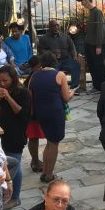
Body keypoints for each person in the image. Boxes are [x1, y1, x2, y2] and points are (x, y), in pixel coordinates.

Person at [26, 51, 74, 182]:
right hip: (55, 112)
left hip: (40, 113)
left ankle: (45, 172)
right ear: (55, 62)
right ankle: (49, 175)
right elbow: (65, 98)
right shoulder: (60, 75)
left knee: (49, 142)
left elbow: (30, 95)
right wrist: (72, 93)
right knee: (54, 143)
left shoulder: (34, 76)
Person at [0, 66, 30, 210]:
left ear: (13, 79)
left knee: (15, 163)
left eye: (5, 80)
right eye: (0, 80)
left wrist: (8, 97)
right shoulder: (2, 92)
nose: (2, 83)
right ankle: (6, 193)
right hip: (2, 133)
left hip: (16, 133)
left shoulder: (23, 93)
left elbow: (21, 113)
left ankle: (15, 197)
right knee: (4, 163)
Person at [37, 19, 81, 87]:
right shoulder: (44, 38)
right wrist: (50, 53)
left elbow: (72, 47)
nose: (56, 27)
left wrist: (74, 56)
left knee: (75, 66)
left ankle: (74, 86)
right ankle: (56, 87)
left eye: (57, 25)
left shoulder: (65, 37)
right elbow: (40, 50)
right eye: (53, 26)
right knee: (52, 72)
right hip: (53, 62)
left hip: (66, 60)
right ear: (50, 27)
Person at [80, 0, 105, 91]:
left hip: (95, 45)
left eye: (82, 1)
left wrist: (99, 46)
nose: (81, 3)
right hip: (89, 44)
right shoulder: (91, 12)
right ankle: (96, 86)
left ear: (87, 0)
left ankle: (103, 87)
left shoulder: (97, 12)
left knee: (99, 66)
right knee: (92, 66)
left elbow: (100, 29)